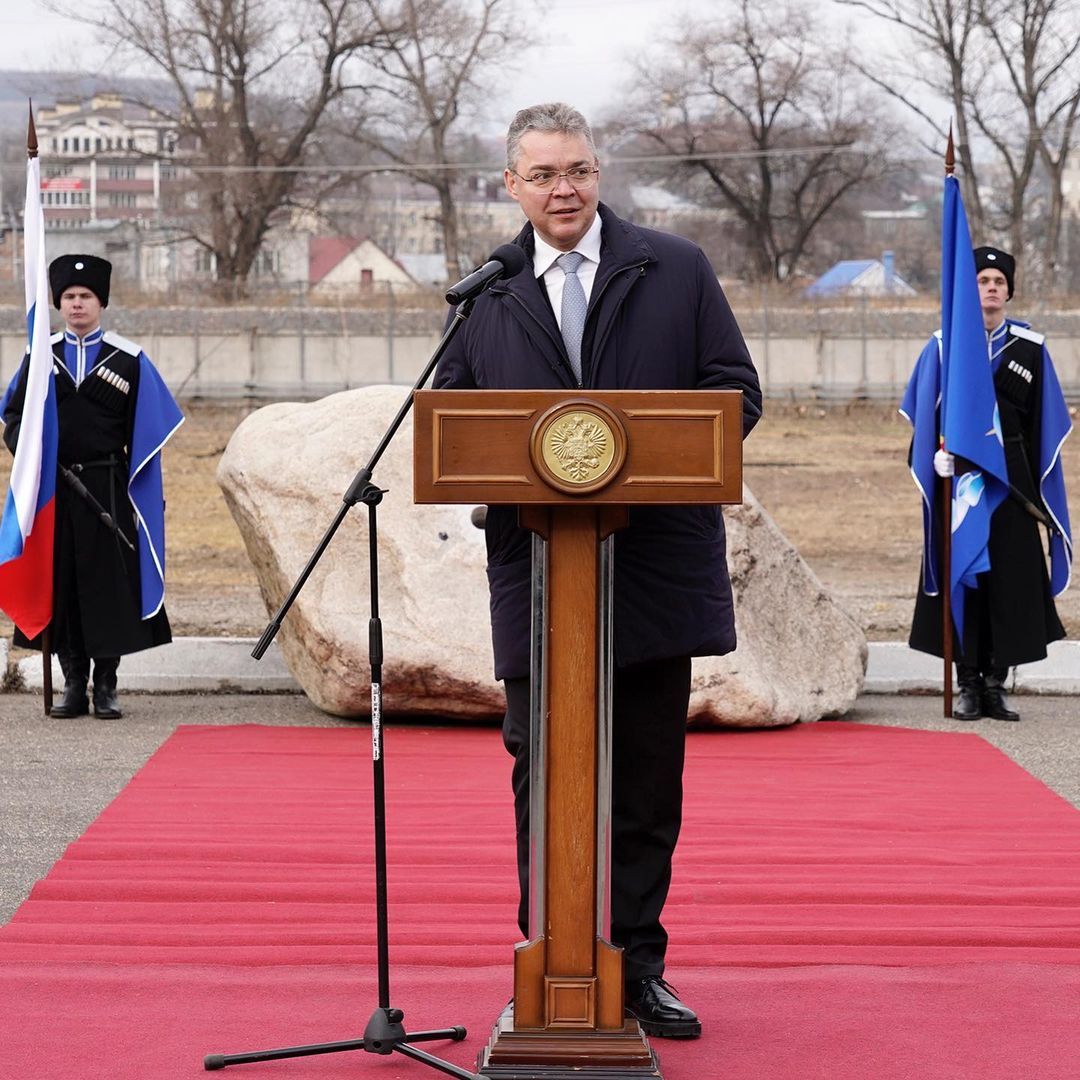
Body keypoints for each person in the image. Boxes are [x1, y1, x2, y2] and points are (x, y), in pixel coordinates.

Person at [434, 102, 762, 1038]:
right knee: (540, 774)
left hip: (651, 564)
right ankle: (550, 965)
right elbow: (452, 420)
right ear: (511, 185)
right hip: (537, 573)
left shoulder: (675, 267)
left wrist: (651, 454)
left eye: (575, 169)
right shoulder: (485, 290)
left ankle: (639, 965)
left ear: (598, 173)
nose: (562, 188)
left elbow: (735, 394)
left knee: (647, 777)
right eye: (541, 175)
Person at [1, 254, 184, 719]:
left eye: (85, 297)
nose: (77, 304)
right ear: (58, 304)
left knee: (108, 589)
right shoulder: (39, 357)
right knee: (62, 587)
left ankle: (106, 686)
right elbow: (15, 418)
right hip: (55, 494)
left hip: (108, 487)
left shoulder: (130, 359)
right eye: (68, 297)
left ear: (100, 302)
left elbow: (149, 425)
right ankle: (72, 683)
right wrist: (34, 455)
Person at [902, 245, 1071, 722]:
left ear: (1009, 291)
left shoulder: (1031, 349)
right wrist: (934, 457)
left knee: (1010, 582)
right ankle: (968, 683)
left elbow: (1044, 423)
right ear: (968, 288)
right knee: (966, 580)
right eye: (982, 280)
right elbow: (925, 416)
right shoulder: (944, 346)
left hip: (1013, 484)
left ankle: (997, 682)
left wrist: (1039, 487)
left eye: (999, 282)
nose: (991, 288)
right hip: (960, 482)